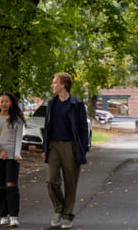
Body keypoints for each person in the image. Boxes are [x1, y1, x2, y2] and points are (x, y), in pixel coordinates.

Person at [42, 72, 89, 229]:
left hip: (71, 146)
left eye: (55, 82)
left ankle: (68, 215)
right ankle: (59, 209)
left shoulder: (77, 104)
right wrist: (45, 147)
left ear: (63, 85)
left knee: (70, 182)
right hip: (53, 145)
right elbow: (47, 127)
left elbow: (83, 128)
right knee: (51, 180)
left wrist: (81, 149)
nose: (52, 85)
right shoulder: (51, 103)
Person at [0, 92, 25, 228]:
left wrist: (16, 154)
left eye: (7, 101)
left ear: (11, 103)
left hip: (12, 157)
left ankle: (14, 216)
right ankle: (3, 214)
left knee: (11, 185)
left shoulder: (17, 119)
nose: (4, 103)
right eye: (1, 101)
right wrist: (0, 150)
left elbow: (18, 138)